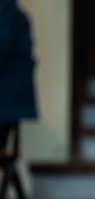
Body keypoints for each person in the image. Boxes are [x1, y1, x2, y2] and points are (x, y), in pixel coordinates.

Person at [0, 0, 37, 148]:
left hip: (6, 98)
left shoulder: (5, 11)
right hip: (11, 98)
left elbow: (2, 45)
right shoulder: (13, 11)